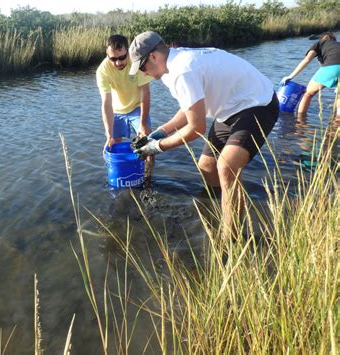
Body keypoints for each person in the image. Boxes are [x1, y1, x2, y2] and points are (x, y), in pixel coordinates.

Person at [128, 31, 279, 236]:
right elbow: (189, 108)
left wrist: (157, 147)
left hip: (257, 103)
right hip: (229, 109)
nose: (143, 73)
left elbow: (196, 129)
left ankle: (231, 238)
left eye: (142, 67)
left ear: (154, 56)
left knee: (226, 166)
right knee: (207, 167)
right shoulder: (169, 69)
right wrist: (158, 133)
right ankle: (222, 206)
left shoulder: (182, 70)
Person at [96, 34, 154, 179]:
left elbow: (145, 94)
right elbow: (106, 103)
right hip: (117, 111)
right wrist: (108, 134)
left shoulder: (137, 63)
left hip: (137, 107)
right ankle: (121, 175)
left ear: (127, 51)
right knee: (113, 145)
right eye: (113, 59)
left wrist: (142, 124)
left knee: (147, 143)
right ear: (107, 55)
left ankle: (148, 178)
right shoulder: (102, 70)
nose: (118, 63)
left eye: (122, 57)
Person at [281, 32, 340, 117]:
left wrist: (291, 76)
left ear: (324, 38)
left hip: (333, 66)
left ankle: (300, 122)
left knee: (308, 94)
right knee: (339, 95)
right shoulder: (336, 45)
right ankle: (337, 123)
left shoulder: (320, 43)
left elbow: (306, 60)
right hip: (334, 66)